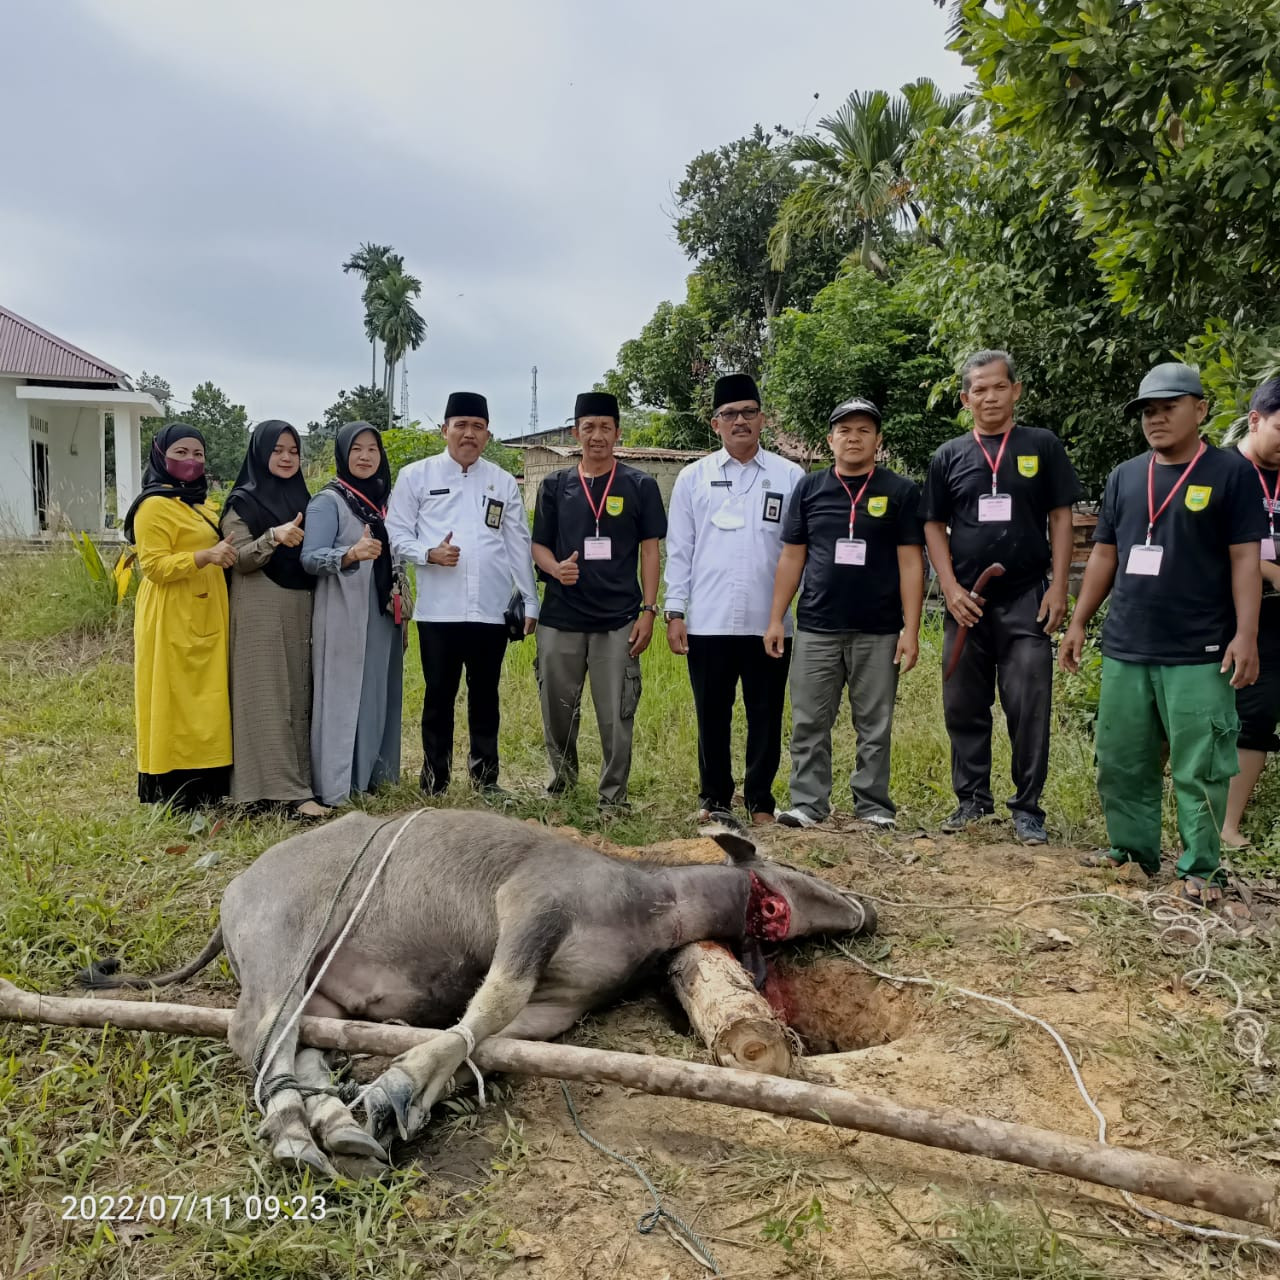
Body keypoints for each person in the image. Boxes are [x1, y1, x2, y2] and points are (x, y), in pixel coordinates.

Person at [1061, 363, 1263, 905]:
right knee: (1123, 757)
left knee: (1202, 764)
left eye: (1168, 407)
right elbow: (1105, 552)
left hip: (1200, 649)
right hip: (1128, 643)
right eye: (1148, 411)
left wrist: (1247, 635)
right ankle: (1131, 853)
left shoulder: (1230, 473)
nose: (1156, 419)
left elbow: (1245, 558)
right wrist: (1079, 622)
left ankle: (1201, 869)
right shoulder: (1126, 476)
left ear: (1199, 409)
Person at [920, 349, 1082, 844]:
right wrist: (948, 589)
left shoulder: (1042, 446)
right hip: (966, 603)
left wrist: (1058, 586)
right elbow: (932, 524)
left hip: (1026, 599)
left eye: (998, 387)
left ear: (1015, 391)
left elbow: (1061, 517)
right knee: (963, 704)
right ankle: (971, 800)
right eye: (978, 390)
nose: (988, 397)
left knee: (1028, 702)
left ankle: (1028, 808)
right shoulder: (949, 455)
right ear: (966, 398)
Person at [764, 397, 925, 830]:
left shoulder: (901, 492)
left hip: (879, 628)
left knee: (874, 723)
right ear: (830, 439)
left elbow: (912, 563)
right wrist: (778, 618)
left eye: (864, 431)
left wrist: (911, 629)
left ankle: (873, 806)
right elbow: (792, 558)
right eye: (845, 431)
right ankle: (808, 803)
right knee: (809, 720)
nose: (854, 438)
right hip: (817, 626)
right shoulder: (810, 488)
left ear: (878, 440)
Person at [663, 373, 804, 825]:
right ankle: (715, 799)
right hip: (708, 620)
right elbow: (680, 549)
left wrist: (781, 614)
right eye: (729, 414)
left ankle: (760, 802)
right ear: (714, 424)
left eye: (748, 412)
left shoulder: (790, 476)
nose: (739, 421)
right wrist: (675, 611)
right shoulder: (692, 478)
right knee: (712, 715)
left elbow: (797, 551)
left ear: (762, 419)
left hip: (770, 621)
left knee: (766, 713)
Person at [386, 392, 538, 797]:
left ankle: (485, 780)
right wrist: (428, 553)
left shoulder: (501, 481)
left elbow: (517, 543)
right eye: (461, 425)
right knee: (438, 697)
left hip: (490, 611)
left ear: (487, 435)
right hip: (440, 613)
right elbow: (396, 534)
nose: (469, 434)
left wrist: (530, 599)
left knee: (485, 697)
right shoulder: (416, 476)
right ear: (445, 430)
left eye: (478, 427)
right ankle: (434, 781)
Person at [531, 391, 667, 812]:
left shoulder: (640, 485)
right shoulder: (555, 486)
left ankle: (612, 797)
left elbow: (650, 551)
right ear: (576, 433)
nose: (596, 436)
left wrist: (648, 609)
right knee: (557, 707)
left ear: (618, 433)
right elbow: (538, 547)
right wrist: (556, 570)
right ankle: (563, 784)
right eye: (588, 427)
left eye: (605, 427)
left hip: (619, 618)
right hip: (561, 617)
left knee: (615, 714)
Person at [124, 422, 236, 810]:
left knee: (206, 700)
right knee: (174, 698)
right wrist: (206, 556)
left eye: (198, 454)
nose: (191, 461)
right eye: (181, 453)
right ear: (160, 455)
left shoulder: (200, 503)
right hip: (171, 614)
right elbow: (153, 566)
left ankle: (207, 786)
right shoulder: (153, 506)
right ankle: (173, 789)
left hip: (207, 609)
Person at [221, 420, 328, 818]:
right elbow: (238, 558)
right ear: (260, 453)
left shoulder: (305, 498)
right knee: (265, 695)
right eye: (278, 450)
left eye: (293, 451)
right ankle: (272, 791)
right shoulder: (242, 502)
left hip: (300, 602)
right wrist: (273, 537)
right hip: (259, 604)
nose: (286, 458)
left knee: (299, 692)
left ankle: (297, 785)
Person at [301, 421, 405, 807]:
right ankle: (338, 784)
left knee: (378, 691)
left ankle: (375, 776)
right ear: (343, 455)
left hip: (380, 612)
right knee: (344, 695)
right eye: (356, 449)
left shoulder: (384, 501)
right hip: (345, 612)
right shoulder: (328, 502)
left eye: (372, 450)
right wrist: (349, 555)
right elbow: (309, 558)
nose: (364, 457)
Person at [1223, 378, 1280, 848]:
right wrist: (1269, 570)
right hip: (1220, 606)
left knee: (1258, 713)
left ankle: (1228, 824)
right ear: (1256, 419)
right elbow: (1202, 541)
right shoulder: (1219, 470)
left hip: (1274, 620)